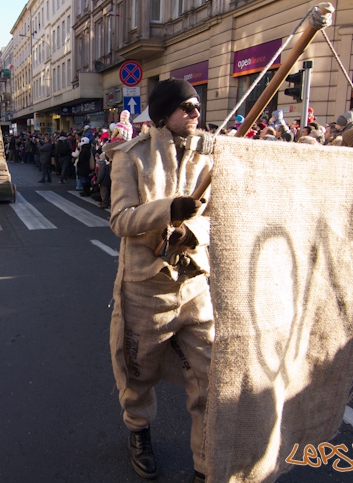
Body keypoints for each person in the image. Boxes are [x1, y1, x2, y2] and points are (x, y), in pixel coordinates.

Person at [106, 78, 214, 483]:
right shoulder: (130, 158)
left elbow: (214, 216)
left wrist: (193, 231)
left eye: (197, 107)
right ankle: (138, 431)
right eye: (187, 107)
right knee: (139, 374)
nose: (195, 114)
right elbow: (120, 220)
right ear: (163, 114)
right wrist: (169, 210)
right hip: (146, 287)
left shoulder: (206, 160)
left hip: (194, 288)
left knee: (209, 377)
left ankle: (206, 464)